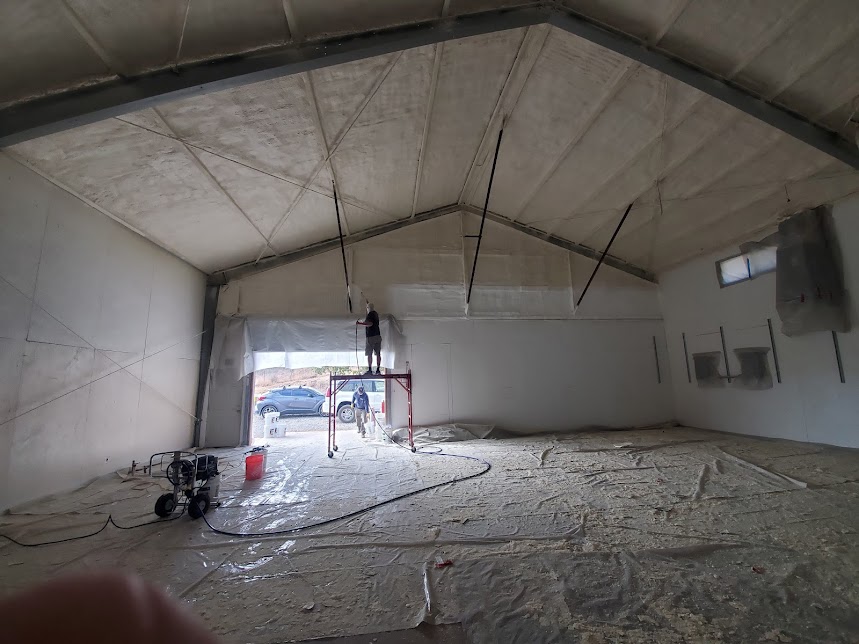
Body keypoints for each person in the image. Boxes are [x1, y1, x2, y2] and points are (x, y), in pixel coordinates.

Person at [356, 301, 382, 375]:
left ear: (368, 308)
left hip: (371, 337)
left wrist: (360, 323)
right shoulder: (376, 314)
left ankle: (370, 370)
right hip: (378, 336)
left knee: (369, 353)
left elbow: (370, 323)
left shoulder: (370, 314)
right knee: (378, 353)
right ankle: (378, 369)